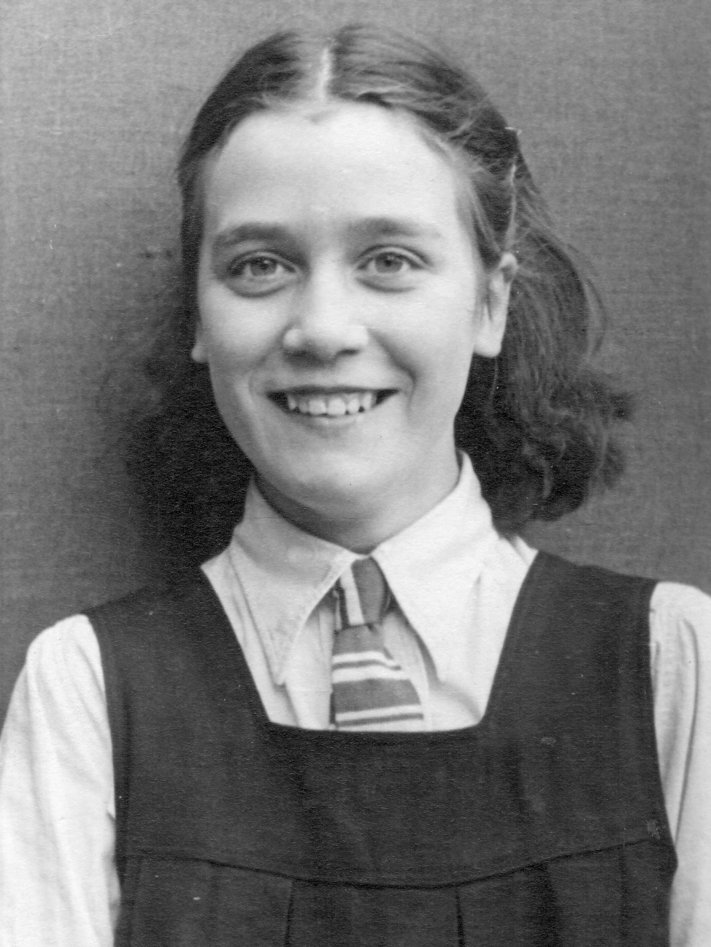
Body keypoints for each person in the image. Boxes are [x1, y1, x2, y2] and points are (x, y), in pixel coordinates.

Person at [0, 23, 709, 946]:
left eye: (389, 261)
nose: (323, 328)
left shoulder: (671, 665)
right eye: (259, 265)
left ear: (490, 303)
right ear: (200, 315)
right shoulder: (89, 689)